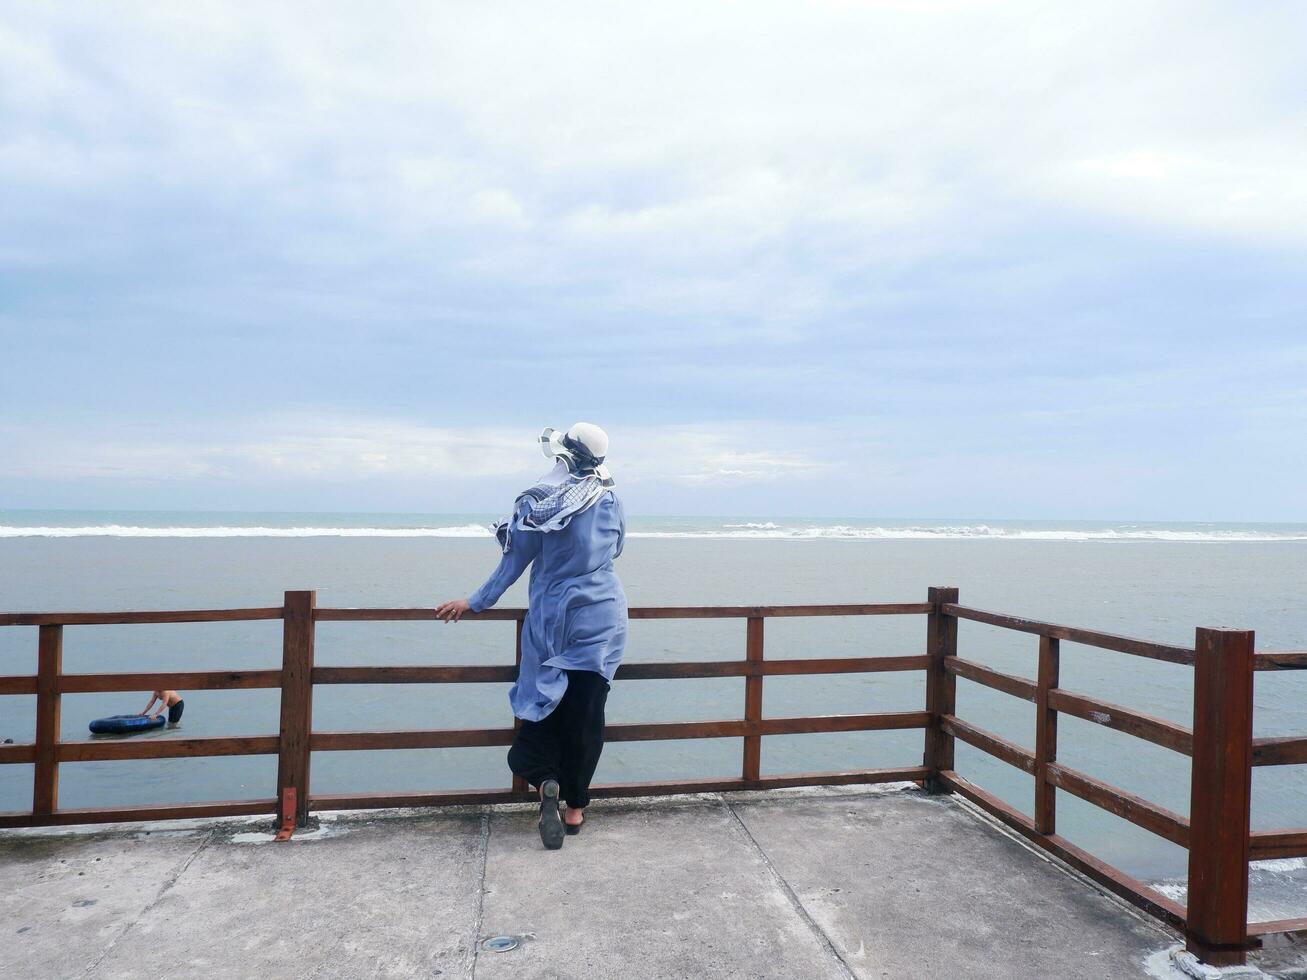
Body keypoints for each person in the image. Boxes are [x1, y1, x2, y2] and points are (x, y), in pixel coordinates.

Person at [437, 423, 627, 850]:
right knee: (587, 712)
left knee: (543, 703)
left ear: (559, 455)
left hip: (554, 616)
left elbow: (512, 564)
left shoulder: (537, 502)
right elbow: (617, 549)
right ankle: (576, 809)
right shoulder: (608, 496)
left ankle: (545, 781)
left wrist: (474, 601)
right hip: (603, 617)